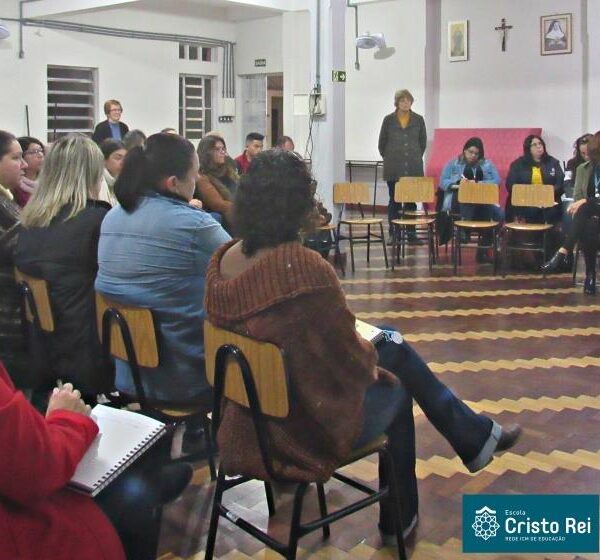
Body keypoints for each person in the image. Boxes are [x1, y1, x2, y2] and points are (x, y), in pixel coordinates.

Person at [204, 149, 521, 539]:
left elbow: (276, 338)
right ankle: (401, 517)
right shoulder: (302, 268)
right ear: (297, 204)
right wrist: (369, 349)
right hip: (297, 427)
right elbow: (351, 362)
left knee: (389, 341)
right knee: (396, 378)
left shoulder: (222, 260)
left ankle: (474, 438)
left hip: (247, 417)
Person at [0, 360, 193, 560]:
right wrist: (66, 419)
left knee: (132, 473)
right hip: (30, 530)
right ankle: (148, 484)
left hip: (129, 378)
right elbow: (36, 469)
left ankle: (148, 479)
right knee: (135, 500)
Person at [95, 133, 230, 404]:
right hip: (185, 376)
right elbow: (247, 272)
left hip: (128, 371)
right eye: (194, 175)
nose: (196, 181)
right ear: (173, 183)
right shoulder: (195, 226)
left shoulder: (112, 217)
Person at [14, 135, 114, 399]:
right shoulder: (98, 220)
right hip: (89, 352)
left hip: (42, 350)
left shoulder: (28, 223)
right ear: (93, 174)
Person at [542, 131, 600, 295]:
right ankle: (590, 276)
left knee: (585, 208)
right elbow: (578, 197)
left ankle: (564, 251)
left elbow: (583, 202)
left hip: (591, 210)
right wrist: (584, 201)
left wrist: (585, 201)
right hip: (593, 217)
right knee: (589, 226)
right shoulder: (585, 169)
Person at [439, 137, 503, 262]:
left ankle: (483, 249)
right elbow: (443, 181)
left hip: (483, 201)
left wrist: (479, 184)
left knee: (499, 215)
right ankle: (464, 228)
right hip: (458, 201)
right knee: (467, 194)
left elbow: (497, 181)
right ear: (464, 151)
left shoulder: (487, 164)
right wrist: (458, 183)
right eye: (470, 152)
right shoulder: (453, 164)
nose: (473, 156)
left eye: (476, 153)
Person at [378, 89, 427, 243]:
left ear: (411, 102)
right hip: (393, 167)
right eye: (402, 101)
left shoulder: (418, 119)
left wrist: (414, 156)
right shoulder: (388, 120)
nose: (405, 103)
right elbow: (382, 143)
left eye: (408, 100)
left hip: (413, 167)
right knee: (394, 200)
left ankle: (411, 234)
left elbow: (422, 143)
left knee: (411, 201)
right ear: (397, 103)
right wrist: (391, 157)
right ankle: (394, 233)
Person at [0, 131, 28, 384]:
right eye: (16, 157)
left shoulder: (7, 201)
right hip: (8, 325)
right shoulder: (4, 210)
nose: (25, 164)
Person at [505, 134, 564, 225]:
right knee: (530, 210)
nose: (539, 146)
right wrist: (531, 195)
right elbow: (510, 185)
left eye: (540, 143)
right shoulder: (518, 164)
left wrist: (546, 193)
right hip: (525, 201)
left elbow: (560, 183)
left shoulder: (553, 162)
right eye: (534, 145)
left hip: (548, 200)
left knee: (552, 211)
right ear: (528, 148)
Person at [195, 134, 239, 232]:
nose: (222, 152)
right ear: (207, 153)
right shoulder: (202, 177)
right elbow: (218, 204)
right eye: (217, 149)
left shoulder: (229, 170)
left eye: (223, 149)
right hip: (221, 222)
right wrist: (244, 207)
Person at [17, 136, 45, 206]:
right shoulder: (15, 186)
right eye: (34, 152)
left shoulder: (48, 180)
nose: (41, 155)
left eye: (41, 150)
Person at [98, 138, 127, 206]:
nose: (123, 163)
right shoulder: (98, 182)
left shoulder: (121, 181)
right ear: (104, 159)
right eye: (118, 158)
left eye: (125, 159)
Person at [564, 133, 592, 198]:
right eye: (583, 153)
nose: (586, 156)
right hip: (576, 197)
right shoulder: (572, 163)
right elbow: (567, 183)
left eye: (589, 152)